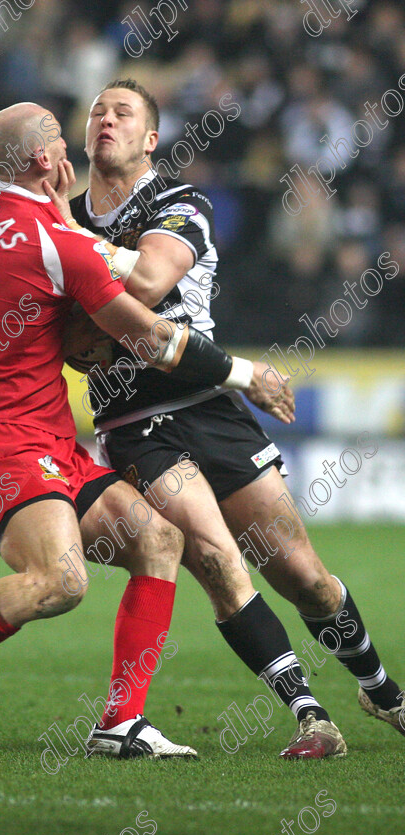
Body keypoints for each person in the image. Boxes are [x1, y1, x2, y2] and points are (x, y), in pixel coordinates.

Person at [0, 103, 289, 760]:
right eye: (58, 141)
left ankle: (121, 723)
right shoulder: (55, 241)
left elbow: (45, 257)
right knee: (62, 581)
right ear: (43, 162)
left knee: (158, 538)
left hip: (45, 437)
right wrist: (246, 373)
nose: (69, 150)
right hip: (6, 445)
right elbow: (153, 339)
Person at [45, 78, 404, 758]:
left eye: (122, 113)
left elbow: (149, 283)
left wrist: (68, 243)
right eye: (95, 111)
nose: (104, 121)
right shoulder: (61, 218)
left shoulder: (180, 203)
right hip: (134, 424)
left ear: (150, 138)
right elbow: (63, 340)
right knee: (213, 559)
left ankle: (380, 690)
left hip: (209, 404)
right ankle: (310, 715)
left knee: (302, 574)